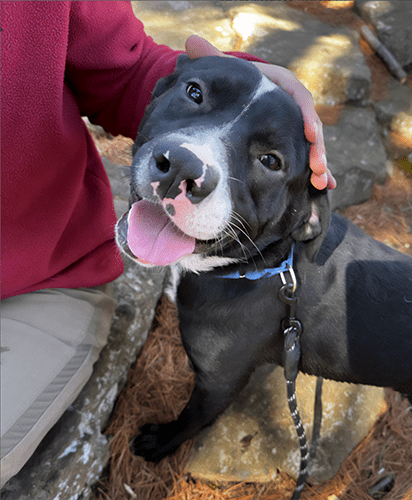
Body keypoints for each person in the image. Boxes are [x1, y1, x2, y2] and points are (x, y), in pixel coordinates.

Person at [0, 1, 335, 487]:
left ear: (308, 221)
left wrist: (232, 78)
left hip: (37, 271)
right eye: (194, 94)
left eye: (269, 160)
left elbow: (127, 73)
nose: (190, 166)